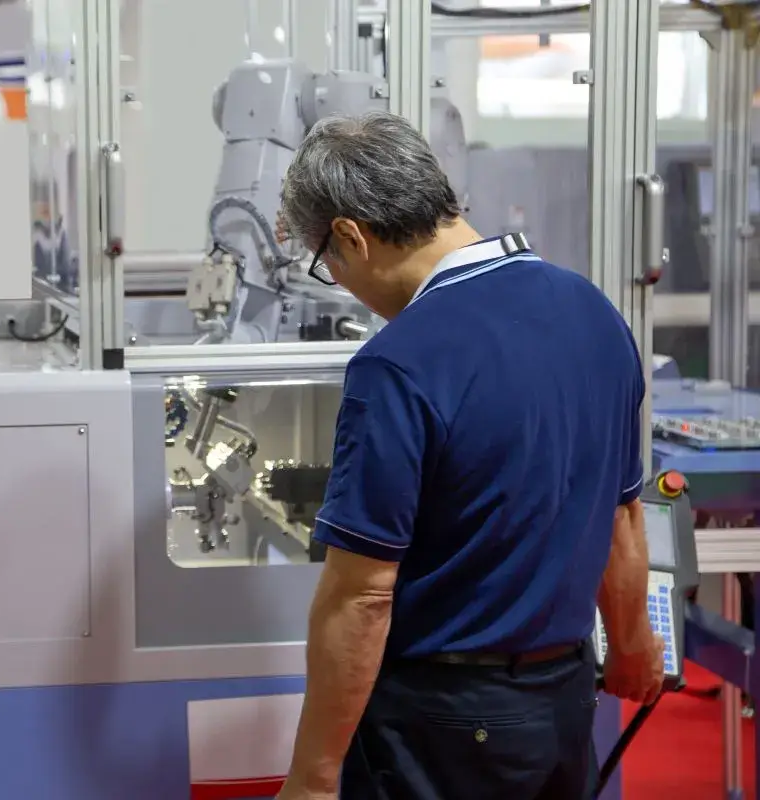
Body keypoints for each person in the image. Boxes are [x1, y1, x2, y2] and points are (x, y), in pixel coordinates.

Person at [272, 112, 665, 800]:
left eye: (326, 266)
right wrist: (632, 645)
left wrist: (311, 777)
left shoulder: (397, 364)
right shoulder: (593, 312)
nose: (339, 281)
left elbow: (362, 595)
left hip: (441, 724)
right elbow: (622, 517)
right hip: (565, 702)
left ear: (349, 236)